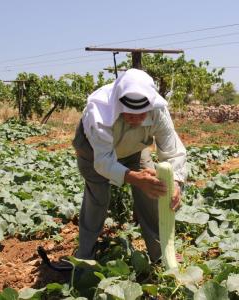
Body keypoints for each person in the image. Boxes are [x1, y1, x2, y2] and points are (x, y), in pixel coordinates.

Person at [72, 68, 186, 263]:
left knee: (153, 192)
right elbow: (103, 162)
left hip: (134, 149)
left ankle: (160, 254)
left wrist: (175, 182)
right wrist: (133, 178)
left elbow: (172, 151)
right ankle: (85, 257)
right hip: (94, 153)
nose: (135, 119)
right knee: (97, 200)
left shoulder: (158, 110)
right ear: (118, 104)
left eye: (141, 114)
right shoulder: (99, 111)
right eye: (129, 114)